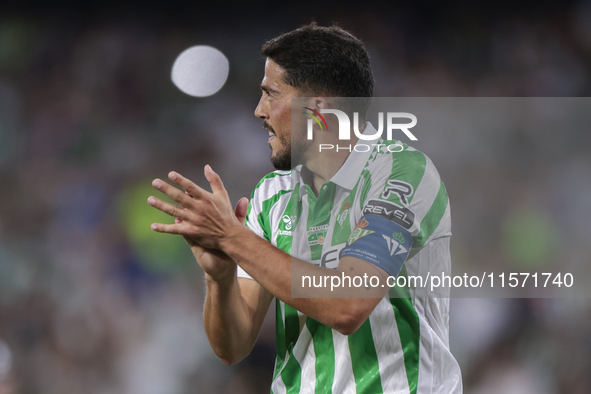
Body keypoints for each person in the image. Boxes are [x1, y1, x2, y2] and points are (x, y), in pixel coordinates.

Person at [147, 23, 462, 394]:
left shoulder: (401, 173)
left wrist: (232, 237)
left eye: (271, 94)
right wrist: (220, 277)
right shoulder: (271, 196)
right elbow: (232, 347)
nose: (258, 110)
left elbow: (348, 305)